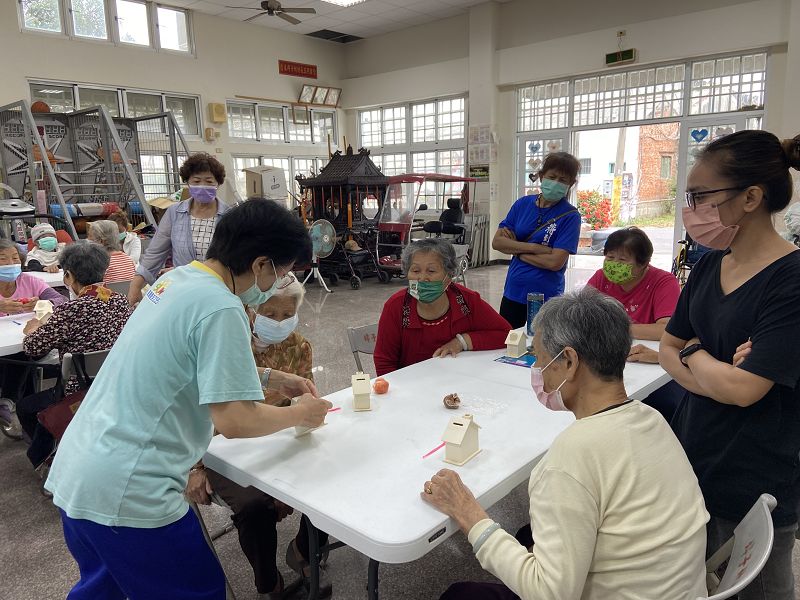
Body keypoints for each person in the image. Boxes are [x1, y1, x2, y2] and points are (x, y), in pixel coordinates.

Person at [44, 198, 332, 600]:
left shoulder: (176, 281)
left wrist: (271, 376)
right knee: (197, 591)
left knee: (105, 591)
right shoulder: (222, 307)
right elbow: (235, 420)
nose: (277, 282)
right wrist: (301, 413)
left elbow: (180, 361)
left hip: (81, 471)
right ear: (260, 263)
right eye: (281, 272)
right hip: (131, 491)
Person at [423, 288, 709, 600]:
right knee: (528, 535)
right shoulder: (651, 418)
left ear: (569, 361)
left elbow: (549, 594)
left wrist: (468, 512)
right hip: (683, 589)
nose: (537, 370)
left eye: (540, 358)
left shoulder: (571, 458)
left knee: (461, 595)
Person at [660, 130, 800, 600]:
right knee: (694, 580)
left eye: (701, 196)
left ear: (751, 198)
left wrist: (695, 353)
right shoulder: (707, 266)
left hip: (757, 472)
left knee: (760, 589)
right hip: (696, 453)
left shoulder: (791, 279)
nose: (692, 209)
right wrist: (717, 374)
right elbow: (666, 348)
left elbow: (745, 391)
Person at [187, 276, 331, 597]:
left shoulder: (299, 346)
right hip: (221, 446)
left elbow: (302, 403)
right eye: (269, 313)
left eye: (286, 315)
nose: (278, 322)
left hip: (279, 438)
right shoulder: (225, 346)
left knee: (331, 474)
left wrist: (285, 485)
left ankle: (304, 551)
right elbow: (194, 412)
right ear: (250, 310)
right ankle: (269, 583)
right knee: (254, 506)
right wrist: (195, 466)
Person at [17, 241, 132, 470]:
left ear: (68, 276)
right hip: (114, 384)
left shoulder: (69, 311)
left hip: (77, 392)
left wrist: (33, 329)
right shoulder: (120, 301)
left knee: (24, 406)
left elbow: (32, 348)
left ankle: (49, 458)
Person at [374, 238, 511, 376]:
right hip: (410, 384)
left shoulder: (466, 301)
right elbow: (384, 363)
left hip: (459, 379)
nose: (422, 278)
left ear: (449, 275)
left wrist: (461, 342)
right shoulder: (396, 306)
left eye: (431, 271)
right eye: (415, 270)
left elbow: (508, 335)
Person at [586, 227, 684, 420]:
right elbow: (580, 315)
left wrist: (616, 327)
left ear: (644, 263)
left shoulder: (663, 282)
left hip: (648, 363)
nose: (614, 265)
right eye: (610, 257)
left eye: (623, 260)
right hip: (608, 360)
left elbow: (667, 329)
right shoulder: (601, 277)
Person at [492, 152, 582, 328]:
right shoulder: (522, 204)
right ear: (541, 177)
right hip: (514, 290)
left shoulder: (570, 216)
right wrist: (534, 248)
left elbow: (554, 262)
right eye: (552, 177)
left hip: (545, 295)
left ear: (571, 184)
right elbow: (497, 242)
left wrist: (517, 251)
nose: (555, 183)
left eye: (563, 180)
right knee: (509, 339)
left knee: (540, 341)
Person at [128, 153, 229, 304]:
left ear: (218, 184)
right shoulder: (175, 213)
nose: (202, 185)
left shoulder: (230, 216)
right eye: (196, 181)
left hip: (220, 291)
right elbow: (156, 252)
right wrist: (136, 285)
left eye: (209, 181)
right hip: (184, 292)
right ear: (188, 182)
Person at [0, 239, 65, 317]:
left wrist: (42, 305)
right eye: (2, 259)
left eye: (15, 258)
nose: (11, 263)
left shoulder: (29, 281)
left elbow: (62, 300)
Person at [87, 220, 137, 285]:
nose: (87, 239)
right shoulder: (129, 260)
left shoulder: (99, 263)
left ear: (101, 241)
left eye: (90, 236)